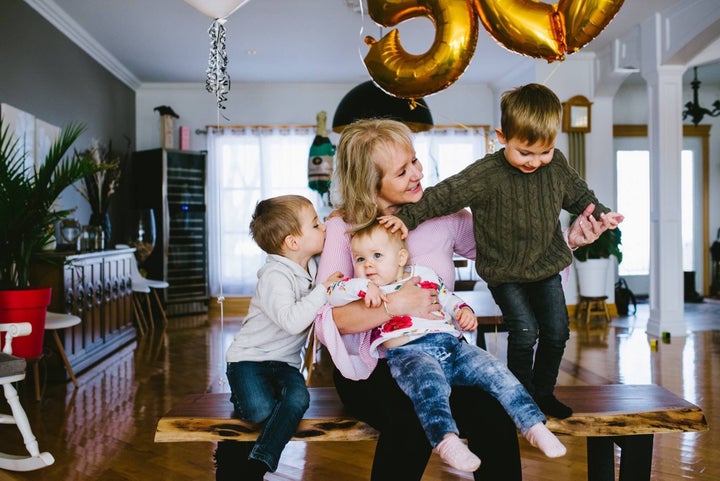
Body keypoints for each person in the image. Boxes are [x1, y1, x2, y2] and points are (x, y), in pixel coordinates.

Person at [314, 118, 605, 480]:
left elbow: (516, 260)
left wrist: (570, 240)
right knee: (412, 419)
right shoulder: (344, 228)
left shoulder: (446, 215)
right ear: (371, 184)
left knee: (495, 412)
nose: (418, 174)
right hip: (374, 366)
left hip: (445, 355)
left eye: (415, 161)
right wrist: (396, 305)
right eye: (402, 171)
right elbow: (330, 321)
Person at [379, 83, 624, 420]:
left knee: (557, 332)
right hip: (505, 274)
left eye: (545, 151)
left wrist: (602, 214)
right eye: (525, 152)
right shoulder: (486, 173)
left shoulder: (556, 167)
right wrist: (406, 218)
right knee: (524, 332)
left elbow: (582, 196)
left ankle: (543, 393)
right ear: (503, 136)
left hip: (546, 266)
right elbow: (442, 195)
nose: (535, 162)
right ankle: (518, 398)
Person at [326, 221, 567, 472]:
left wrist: (462, 310)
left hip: (452, 346)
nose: (368, 265)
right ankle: (446, 440)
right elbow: (332, 293)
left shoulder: (424, 274)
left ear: (400, 257)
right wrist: (361, 286)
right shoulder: (368, 289)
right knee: (429, 389)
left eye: (377, 256)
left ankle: (533, 425)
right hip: (410, 354)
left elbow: (446, 296)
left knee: (496, 371)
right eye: (360, 258)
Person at [223, 195, 342, 480]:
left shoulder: (311, 266)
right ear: (292, 243)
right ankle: (240, 399)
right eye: (316, 225)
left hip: (285, 363)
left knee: (299, 399)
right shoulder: (275, 276)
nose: (323, 228)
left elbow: (339, 241)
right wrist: (323, 290)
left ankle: (259, 462)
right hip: (248, 360)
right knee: (259, 410)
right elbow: (291, 321)